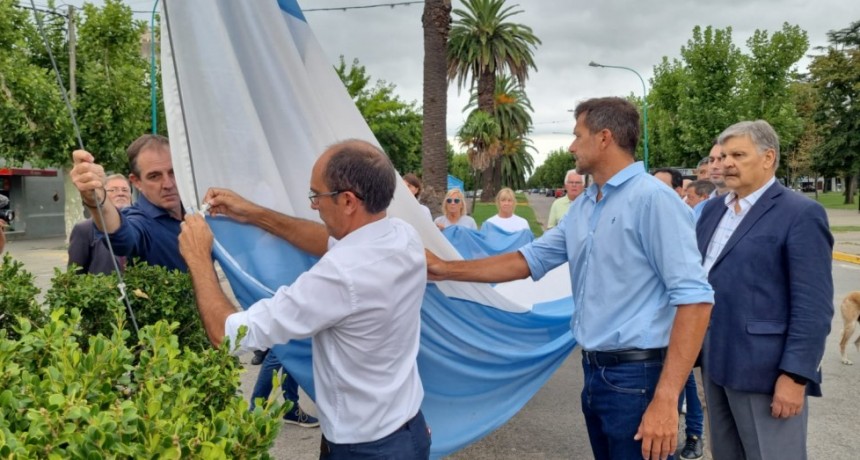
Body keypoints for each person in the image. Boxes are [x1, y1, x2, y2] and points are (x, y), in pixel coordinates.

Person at [427, 97, 714, 460]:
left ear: (604, 138)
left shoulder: (653, 200)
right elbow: (528, 260)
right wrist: (443, 268)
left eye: (578, 135)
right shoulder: (585, 206)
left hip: (639, 379)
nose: (571, 146)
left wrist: (667, 398)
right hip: (597, 374)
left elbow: (695, 299)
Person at [178, 139, 430, 459]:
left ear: (349, 201)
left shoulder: (340, 275)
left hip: (366, 449)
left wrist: (199, 256)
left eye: (316, 195)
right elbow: (328, 240)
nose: (314, 205)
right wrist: (255, 213)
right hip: (409, 430)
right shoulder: (401, 235)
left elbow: (229, 335)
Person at [70, 134, 315, 425]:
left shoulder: (199, 212)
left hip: (211, 354)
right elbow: (121, 235)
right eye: (155, 176)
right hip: (167, 366)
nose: (168, 183)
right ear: (136, 182)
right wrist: (96, 198)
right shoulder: (142, 221)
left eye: (173, 172)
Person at [697, 120, 833, 460]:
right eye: (724, 154)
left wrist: (795, 376)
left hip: (767, 375)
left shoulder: (800, 213)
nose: (726, 162)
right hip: (715, 363)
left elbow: (813, 307)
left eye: (738, 154)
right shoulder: (713, 210)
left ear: (768, 157)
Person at [653, 170, 706, 459]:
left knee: (681, 380)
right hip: (659, 322)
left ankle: (694, 434)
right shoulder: (651, 214)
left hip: (683, 315)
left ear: (677, 190)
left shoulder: (685, 217)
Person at [67, 174, 133, 274]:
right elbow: (75, 273)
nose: (120, 193)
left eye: (125, 190)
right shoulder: (84, 229)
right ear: (102, 195)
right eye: (113, 190)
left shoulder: (141, 224)